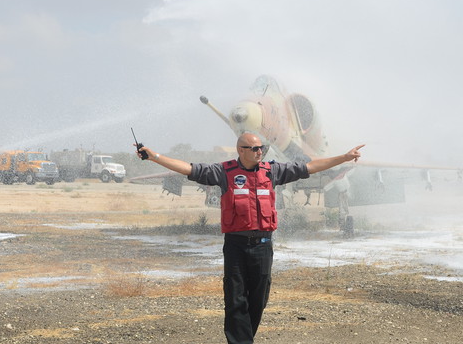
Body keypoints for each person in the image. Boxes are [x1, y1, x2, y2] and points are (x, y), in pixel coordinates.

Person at [137, 133, 364, 344]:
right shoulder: (223, 172)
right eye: (254, 148)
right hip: (235, 246)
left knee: (258, 300)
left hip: (263, 246)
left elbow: (310, 167)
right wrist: (154, 156)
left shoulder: (272, 171)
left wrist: (344, 157)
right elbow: (188, 168)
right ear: (241, 150)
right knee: (236, 300)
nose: (259, 152)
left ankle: (244, 339)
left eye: (261, 148)